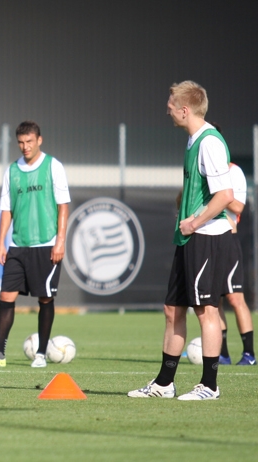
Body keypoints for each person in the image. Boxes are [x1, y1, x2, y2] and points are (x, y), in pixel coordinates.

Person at [128, 80, 234, 400]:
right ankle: (164, 384)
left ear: (185, 109)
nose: (168, 110)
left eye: (171, 105)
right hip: (188, 238)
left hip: (205, 237)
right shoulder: (192, 142)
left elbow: (225, 196)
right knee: (172, 309)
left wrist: (195, 222)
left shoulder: (209, 142)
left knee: (206, 310)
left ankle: (209, 386)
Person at [0, 120, 70, 368]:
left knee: (45, 299)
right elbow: (6, 209)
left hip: (46, 244)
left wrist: (60, 241)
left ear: (39, 140)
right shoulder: (12, 171)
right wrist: (0, 242)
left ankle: (40, 354)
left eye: (29, 141)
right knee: (6, 296)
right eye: (21, 142)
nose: (25, 146)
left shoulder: (53, 166)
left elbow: (63, 206)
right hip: (18, 245)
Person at [218, 162, 255, 366]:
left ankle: (249, 354)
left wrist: (215, 194)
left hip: (227, 240)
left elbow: (237, 206)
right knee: (213, 302)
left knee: (235, 298)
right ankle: (222, 354)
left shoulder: (233, 171)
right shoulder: (199, 170)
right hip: (206, 241)